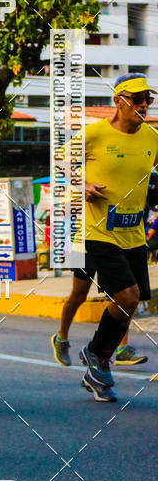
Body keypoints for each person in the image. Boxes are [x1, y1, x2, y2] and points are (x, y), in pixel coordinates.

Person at [74, 74, 158, 401]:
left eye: (148, 99)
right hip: (99, 230)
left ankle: (98, 369)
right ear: (118, 101)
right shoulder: (94, 134)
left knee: (133, 302)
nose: (144, 105)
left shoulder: (152, 137)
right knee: (128, 295)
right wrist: (82, 186)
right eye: (137, 99)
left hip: (134, 232)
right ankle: (96, 352)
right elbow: (61, 164)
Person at [51, 273, 148, 368]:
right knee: (79, 294)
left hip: (109, 257)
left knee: (123, 295)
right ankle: (61, 339)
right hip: (83, 256)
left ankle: (122, 349)